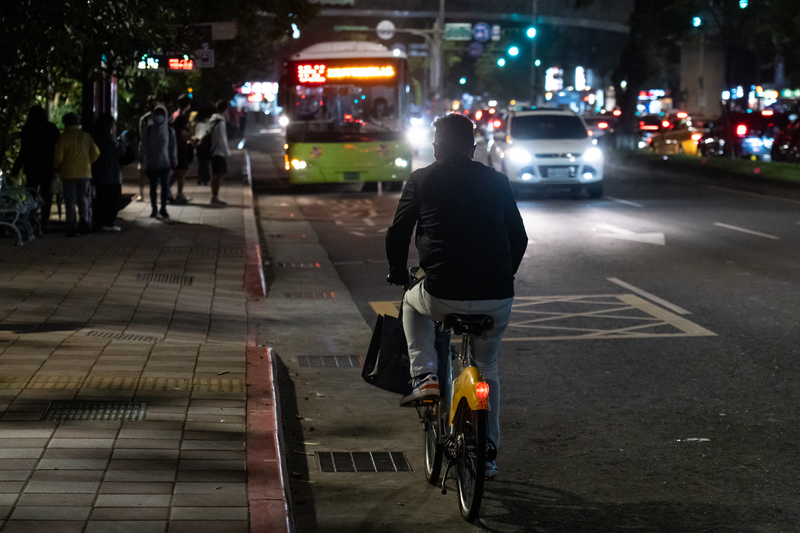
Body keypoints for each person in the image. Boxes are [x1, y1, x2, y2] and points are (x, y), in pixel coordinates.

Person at [385, 113, 528, 478]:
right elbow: (520, 238)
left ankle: (425, 377)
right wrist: (502, 276)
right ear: (473, 148)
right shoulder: (497, 180)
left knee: (411, 307)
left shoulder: (421, 179)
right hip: (496, 296)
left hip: (441, 292)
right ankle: (487, 455)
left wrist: (399, 274)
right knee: (488, 367)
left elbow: (398, 233)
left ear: (435, 148)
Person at [12, 105, 60, 232]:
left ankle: (30, 219)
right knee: (46, 194)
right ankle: (44, 221)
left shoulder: (28, 129)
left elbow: (23, 151)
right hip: (47, 166)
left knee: (30, 194)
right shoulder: (51, 128)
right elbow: (57, 145)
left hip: (32, 166)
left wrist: (16, 169)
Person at [53, 113, 100, 236]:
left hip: (68, 173)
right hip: (84, 172)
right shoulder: (85, 136)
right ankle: (84, 222)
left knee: (70, 201)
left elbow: (58, 157)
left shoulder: (63, 137)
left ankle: (71, 226)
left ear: (65, 123)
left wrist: (57, 166)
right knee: (83, 198)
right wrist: (88, 162)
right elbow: (95, 153)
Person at [139, 105, 177, 218]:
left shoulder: (170, 131)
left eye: (161, 114)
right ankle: (154, 208)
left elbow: (173, 147)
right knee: (153, 187)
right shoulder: (148, 130)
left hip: (165, 163)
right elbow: (143, 146)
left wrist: (174, 159)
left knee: (165, 187)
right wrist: (143, 160)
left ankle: (163, 208)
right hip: (151, 163)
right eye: (157, 114)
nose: (159, 117)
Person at [91, 113, 127, 231]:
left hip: (98, 173)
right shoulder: (108, 138)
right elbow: (120, 150)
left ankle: (99, 221)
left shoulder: (95, 136)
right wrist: (122, 139)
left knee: (100, 198)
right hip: (111, 175)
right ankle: (107, 223)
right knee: (112, 200)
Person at [169, 94, 192, 204]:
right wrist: (191, 139)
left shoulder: (174, 115)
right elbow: (183, 134)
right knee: (181, 172)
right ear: (187, 105)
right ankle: (179, 194)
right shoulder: (182, 117)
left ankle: (167, 190)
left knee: (176, 171)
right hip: (181, 147)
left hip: (174, 146)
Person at [209, 100, 231, 205]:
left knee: (215, 174)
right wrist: (227, 153)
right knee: (219, 174)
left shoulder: (213, 120)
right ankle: (215, 196)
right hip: (219, 151)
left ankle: (214, 196)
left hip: (213, 151)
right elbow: (222, 139)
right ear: (225, 110)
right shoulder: (220, 122)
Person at [136, 95, 157, 201]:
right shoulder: (145, 118)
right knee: (142, 171)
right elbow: (142, 135)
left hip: (155, 149)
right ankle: (141, 193)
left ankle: (153, 193)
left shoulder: (159, 118)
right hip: (145, 148)